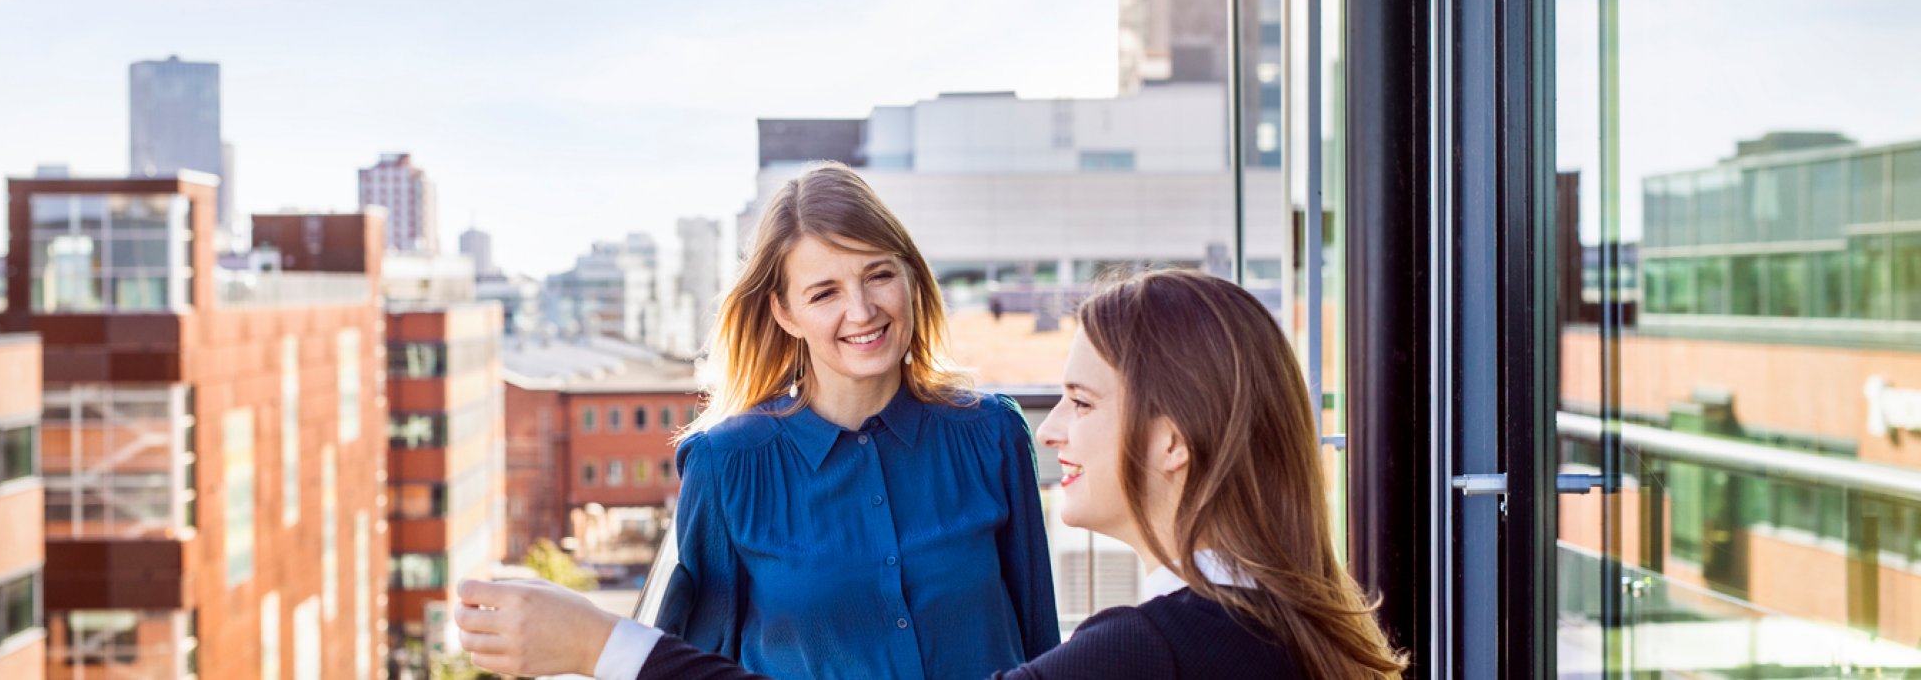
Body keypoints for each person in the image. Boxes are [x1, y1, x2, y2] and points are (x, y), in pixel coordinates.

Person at [455, 269, 1408, 679]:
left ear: (1171, 441)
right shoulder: (1286, 622)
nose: (1048, 434)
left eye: (1080, 401)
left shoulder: (1148, 651)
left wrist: (596, 647)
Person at [454, 162, 1059, 680]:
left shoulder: (992, 435)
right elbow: (691, 666)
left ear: (910, 277)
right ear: (785, 312)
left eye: (878, 274)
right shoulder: (725, 467)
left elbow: (1042, 645)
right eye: (824, 292)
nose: (862, 310)